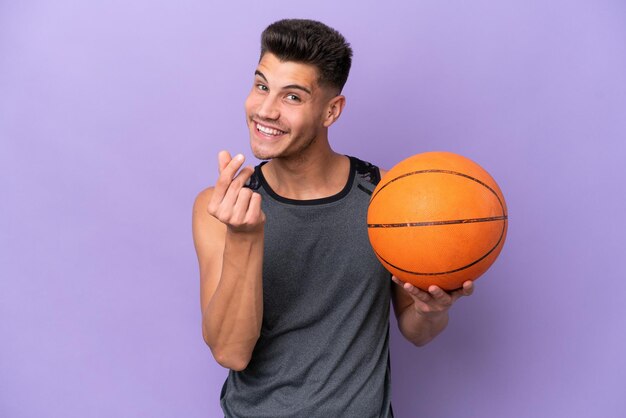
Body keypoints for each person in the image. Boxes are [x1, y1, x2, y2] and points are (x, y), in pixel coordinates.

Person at [192, 18, 474, 417]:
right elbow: (230, 352)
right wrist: (244, 238)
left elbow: (415, 331)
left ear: (331, 111)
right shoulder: (221, 209)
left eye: (292, 97)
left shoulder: (386, 198)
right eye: (261, 86)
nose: (265, 110)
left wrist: (433, 311)